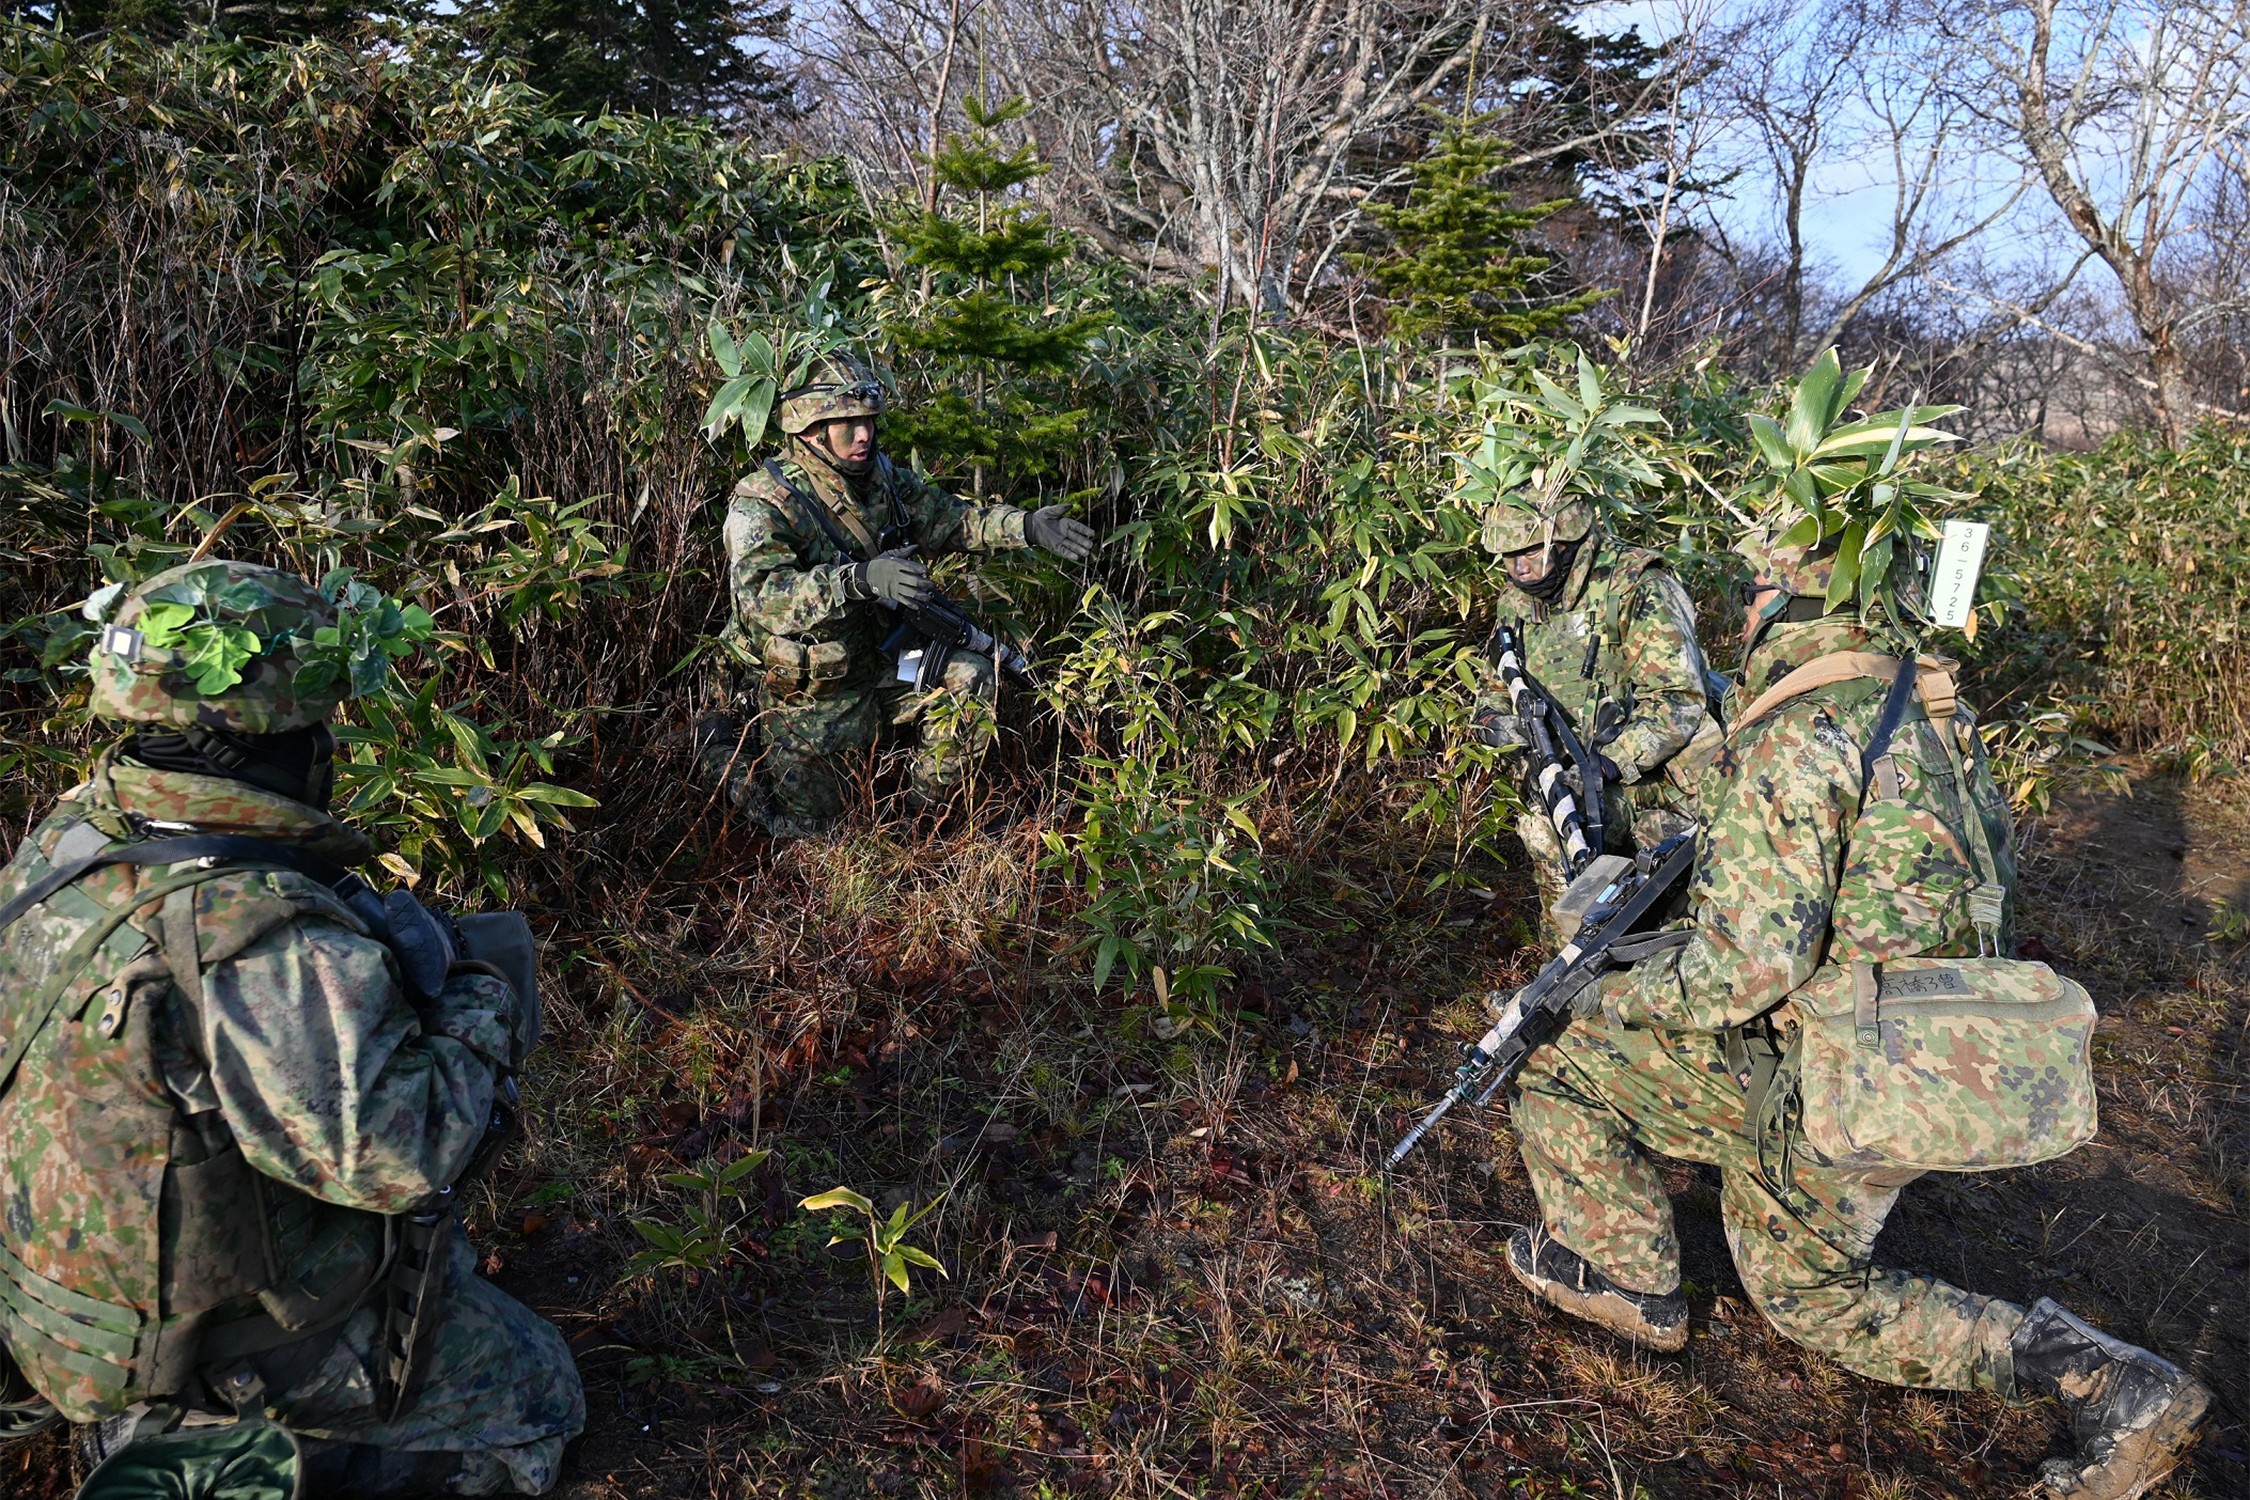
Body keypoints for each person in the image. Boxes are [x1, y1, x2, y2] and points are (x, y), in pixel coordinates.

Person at [1499, 526, 2212, 1500]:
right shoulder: (1934, 711)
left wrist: (1602, 990)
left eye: (1756, 589)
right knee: (1805, 1280)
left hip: (1831, 1070)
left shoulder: (1801, 736)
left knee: (1560, 1061)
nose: (1742, 610)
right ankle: (2102, 1380)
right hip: (1938, 1048)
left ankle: (1626, 1279)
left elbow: (1735, 978)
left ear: (1791, 603)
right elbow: (1966, 890)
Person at [0, 561, 584, 1495]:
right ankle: (225, 1452)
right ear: (264, 737)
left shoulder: (69, 840)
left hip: (62, 1312)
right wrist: (481, 992)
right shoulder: (255, 922)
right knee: (540, 1394)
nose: (332, 745)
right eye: (318, 724)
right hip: (210, 1344)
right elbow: (402, 1155)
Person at [702, 356, 1097, 837]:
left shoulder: (882, 480)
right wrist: (857, 580)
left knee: (970, 676)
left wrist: (1027, 526)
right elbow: (764, 599)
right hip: (812, 699)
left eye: (868, 421)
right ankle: (730, 754)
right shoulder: (765, 505)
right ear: (809, 430)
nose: (864, 434)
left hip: (886, 662)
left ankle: (921, 821)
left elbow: (951, 519)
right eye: (847, 424)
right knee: (820, 837)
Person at [1468, 489, 1715, 931]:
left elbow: (1678, 700)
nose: (1518, 568)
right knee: (1554, 851)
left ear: (1564, 542)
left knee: (1665, 909)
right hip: (1565, 784)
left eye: (1528, 551)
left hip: (1654, 782)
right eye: (1506, 556)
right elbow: (1495, 683)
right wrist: (1495, 723)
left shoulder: (1637, 584)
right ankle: (1568, 978)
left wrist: (1607, 765)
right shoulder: (1517, 601)